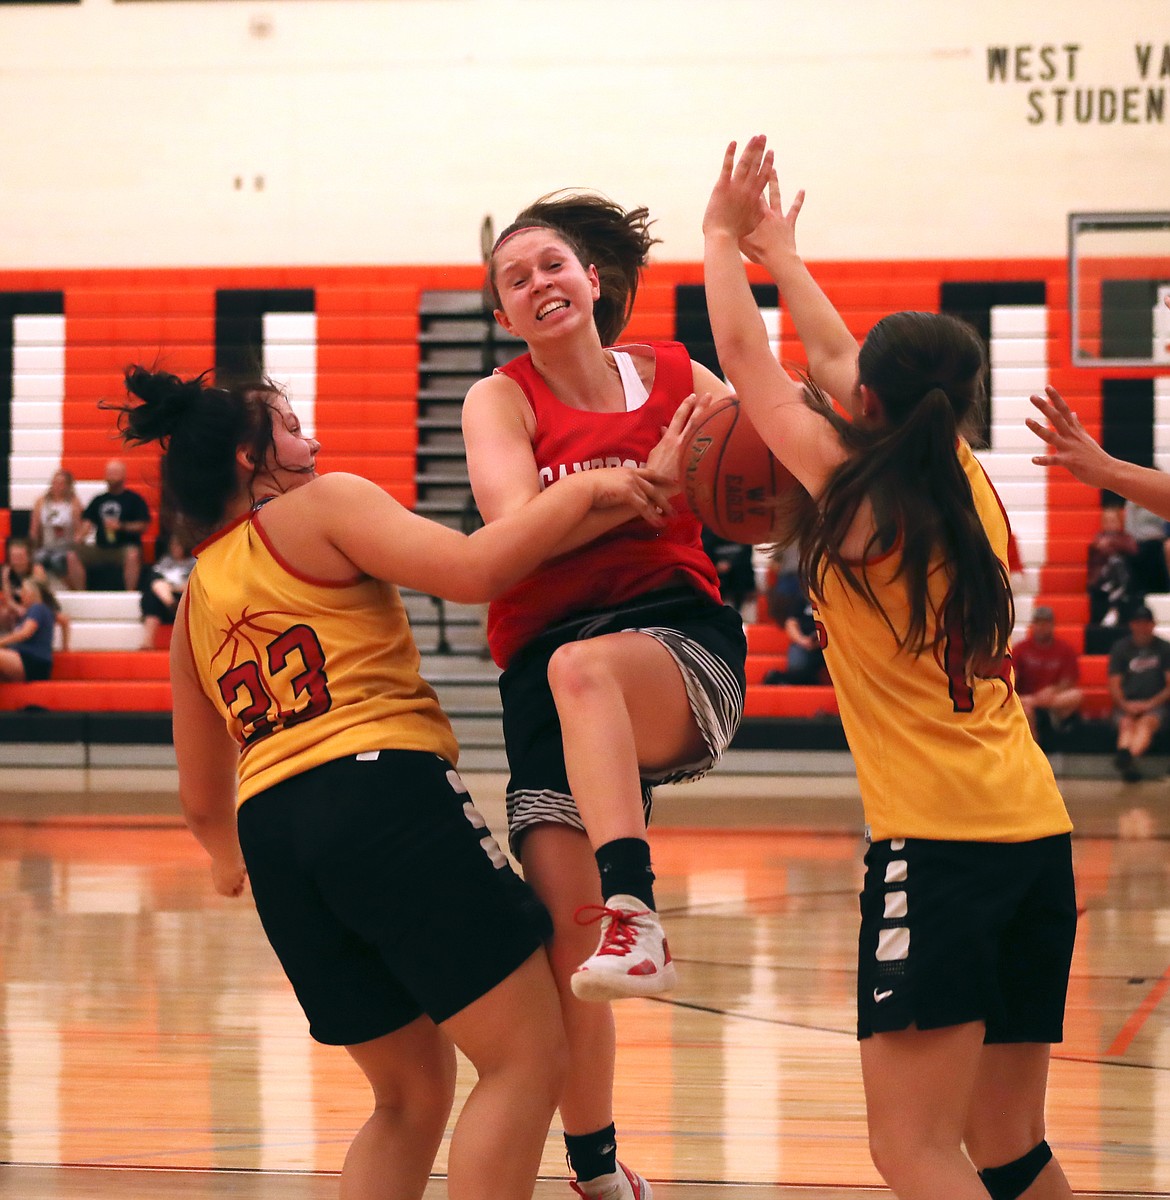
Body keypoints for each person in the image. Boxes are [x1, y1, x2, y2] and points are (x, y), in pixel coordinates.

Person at [102, 364, 701, 1200]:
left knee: (407, 1097)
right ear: (250, 456)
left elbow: (202, 795)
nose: (312, 442)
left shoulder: (198, 595)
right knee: (527, 1059)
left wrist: (223, 859)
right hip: (379, 792)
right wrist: (600, 484)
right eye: (291, 427)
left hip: (275, 837)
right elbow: (474, 568)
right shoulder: (323, 505)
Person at [703, 136, 1076, 1200]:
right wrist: (783, 254)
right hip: (1034, 836)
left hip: (944, 848)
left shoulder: (859, 506)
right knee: (1009, 1146)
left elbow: (753, 365)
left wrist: (722, 238)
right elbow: (830, 363)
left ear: (870, 403)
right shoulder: (969, 484)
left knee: (910, 1148)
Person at [462, 191, 747, 1200]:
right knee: (569, 950)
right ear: (504, 312)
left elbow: (767, 448)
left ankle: (641, 903)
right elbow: (513, 533)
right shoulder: (498, 399)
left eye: (551, 266)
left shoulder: (676, 374)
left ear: (593, 279)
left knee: (585, 670)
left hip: (673, 641)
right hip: (541, 666)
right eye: (514, 279)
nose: (537, 285)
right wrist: (641, 485)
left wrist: (706, 483)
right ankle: (597, 1176)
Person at [1106, 604, 1170, 783]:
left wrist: (1149, 704)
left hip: (1155, 706)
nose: (1142, 627)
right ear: (1132, 625)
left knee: (1146, 724)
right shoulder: (1120, 648)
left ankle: (1127, 757)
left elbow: (1169, 686)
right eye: (1138, 623)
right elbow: (1114, 685)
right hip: (1126, 704)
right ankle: (1127, 758)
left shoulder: (1164, 648)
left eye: (1146, 623)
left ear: (1152, 625)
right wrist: (1126, 705)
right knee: (1126, 723)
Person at [1012, 606, 1083, 747]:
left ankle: (1052, 718)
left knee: (1077, 695)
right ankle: (1034, 748)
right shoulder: (1021, 649)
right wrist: (1034, 698)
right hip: (1027, 699)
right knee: (1024, 707)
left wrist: (1052, 691)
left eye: (1045, 623)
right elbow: (1012, 678)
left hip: (1053, 699)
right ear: (1033, 625)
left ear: (1052, 625)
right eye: (1038, 623)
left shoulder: (1065, 649)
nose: (1042, 627)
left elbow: (1069, 681)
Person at [78, 459, 151, 590]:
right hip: (101, 548)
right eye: (109, 473)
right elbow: (87, 522)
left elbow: (143, 525)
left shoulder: (134, 499)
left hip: (124, 548)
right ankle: (80, 593)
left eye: (114, 472)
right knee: (72, 555)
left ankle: (130, 594)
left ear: (123, 475)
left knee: (133, 555)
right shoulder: (98, 500)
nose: (111, 476)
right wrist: (80, 536)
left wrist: (122, 526)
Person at [0, 576, 66, 682]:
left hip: (31, 661)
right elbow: (64, 620)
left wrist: (2, 641)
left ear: (31, 593)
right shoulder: (37, 611)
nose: (21, 595)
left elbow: (25, 633)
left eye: (23, 591)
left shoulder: (37, 608)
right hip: (30, 661)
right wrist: (65, 646)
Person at [29, 468, 86, 590]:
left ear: (68, 486)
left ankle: (72, 588)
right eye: (55, 483)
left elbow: (78, 529)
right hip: (47, 544)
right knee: (38, 557)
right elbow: (34, 529)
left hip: (66, 545)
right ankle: (39, 591)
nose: (58, 486)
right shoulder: (41, 502)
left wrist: (77, 541)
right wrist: (32, 545)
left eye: (61, 483)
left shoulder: (73, 503)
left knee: (57, 560)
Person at [139, 530, 196, 649]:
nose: (175, 548)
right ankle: (147, 642)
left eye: (178, 545)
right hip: (165, 601)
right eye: (173, 545)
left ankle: (173, 606)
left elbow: (195, 585)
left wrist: (173, 587)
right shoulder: (164, 562)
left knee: (163, 589)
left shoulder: (195, 563)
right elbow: (154, 581)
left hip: (186, 600)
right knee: (153, 595)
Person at [1085, 505, 1137, 628]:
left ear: (1120, 522)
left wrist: (1112, 543)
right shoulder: (1097, 541)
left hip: (1122, 581)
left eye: (1113, 521)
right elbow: (1094, 562)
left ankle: (1114, 605)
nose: (1110, 524)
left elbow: (1133, 550)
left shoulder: (1126, 538)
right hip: (1101, 581)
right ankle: (1112, 603)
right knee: (1113, 562)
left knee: (1117, 561)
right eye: (1106, 521)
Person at [762, 591, 825, 685]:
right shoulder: (802, 597)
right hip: (804, 642)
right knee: (798, 664)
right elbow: (791, 622)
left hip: (830, 643)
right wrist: (803, 640)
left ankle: (781, 679)